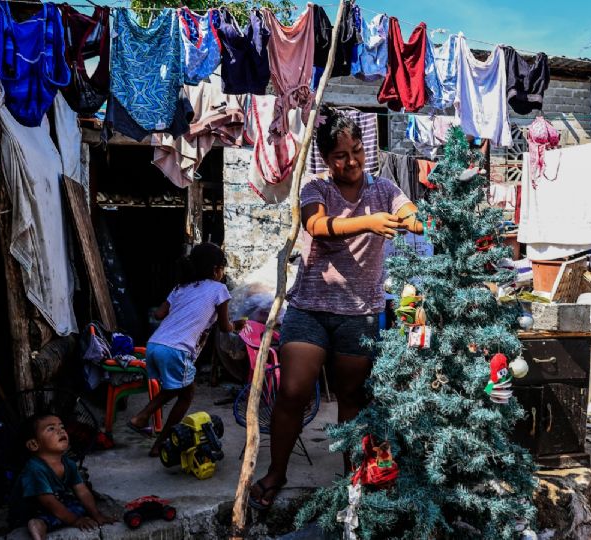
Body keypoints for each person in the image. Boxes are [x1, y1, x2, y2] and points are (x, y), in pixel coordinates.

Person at [249, 110, 423, 510]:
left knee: (352, 397)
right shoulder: (315, 188)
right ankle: (276, 472)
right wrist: (368, 222)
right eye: (341, 156)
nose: (352, 162)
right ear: (326, 160)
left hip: (360, 314)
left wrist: (413, 221)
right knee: (293, 392)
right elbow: (318, 226)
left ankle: (353, 479)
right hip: (310, 308)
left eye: (357, 152)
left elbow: (408, 210)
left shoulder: (385, 190)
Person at [128, 242, 234, 456]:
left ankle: (153, 434)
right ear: (216, 270)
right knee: (185, 394)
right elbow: (224, 327)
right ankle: (151, 430)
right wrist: (236, 325)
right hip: (176, 350)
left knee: (178, 389)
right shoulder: (219, 289)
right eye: (222, 269)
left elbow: (158, 314)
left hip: (155, 344)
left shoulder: (180, 287)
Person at [12, 414, 116, 539]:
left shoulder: (68, 463)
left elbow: (82, 491)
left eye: (62, 427)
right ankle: (38, 526)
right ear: (34, 444)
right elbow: (49, 502)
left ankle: (57, 518)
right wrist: (75, 521)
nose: (60, 431)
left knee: (81, 507)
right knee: (48, 516)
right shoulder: (35, 469)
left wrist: (96, 514)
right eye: (51, 429)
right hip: (31, 511)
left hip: (55, 503)